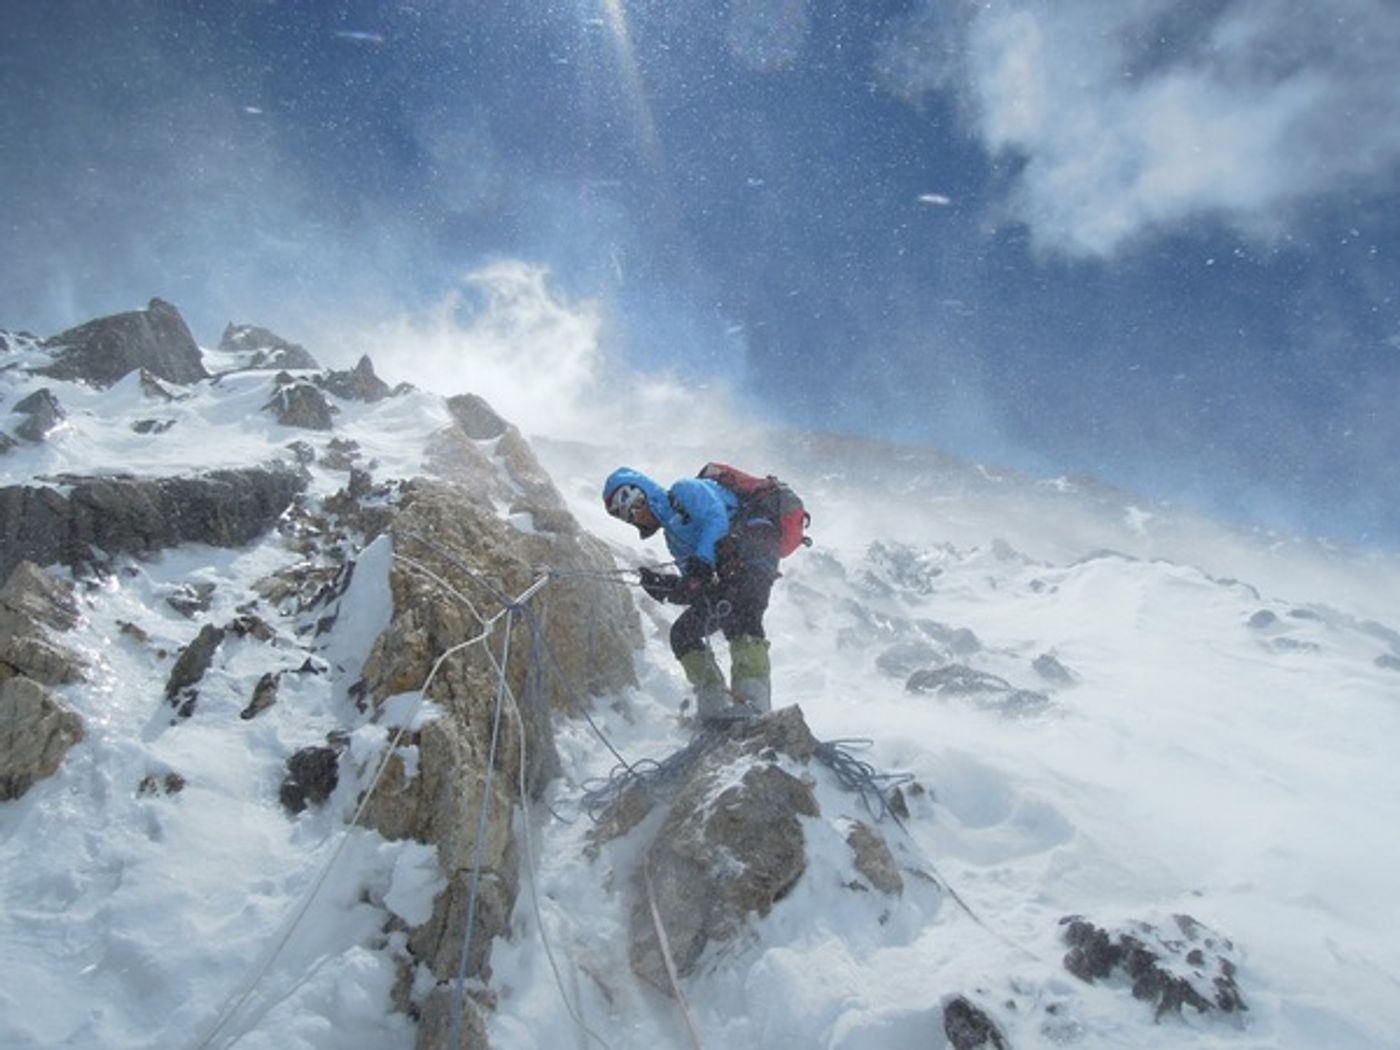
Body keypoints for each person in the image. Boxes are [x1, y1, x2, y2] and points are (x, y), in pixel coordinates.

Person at [602, 466, 781, 723]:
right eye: (625, 516)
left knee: (743, 616)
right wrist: (667, 587)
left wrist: (702, 562)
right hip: (729, 568)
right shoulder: (673, 538)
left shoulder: (685, 490)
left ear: (644, 494)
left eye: (632, 506)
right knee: (683, 634)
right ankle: (713, 704)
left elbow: (716, 518)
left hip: (755, 543)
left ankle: (754, 704)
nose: (633, 517)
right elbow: (698, 588)